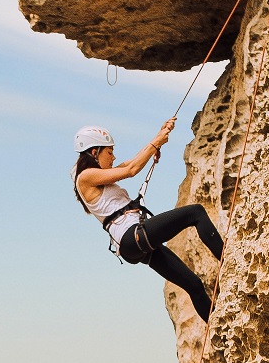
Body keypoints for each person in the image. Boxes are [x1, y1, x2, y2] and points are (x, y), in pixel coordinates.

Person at [74, 122, 225, 320]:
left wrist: (159, 138)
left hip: (134, 244)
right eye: (110, 152)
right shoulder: (85, 176)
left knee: (194, 285)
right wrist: (156, 143)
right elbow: (131, 170)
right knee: (195, 213)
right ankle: (227, 261)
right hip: (131, 236)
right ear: (95, 152)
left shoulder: (99, 176)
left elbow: (130, 164)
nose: (114, 157)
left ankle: (218, 334)